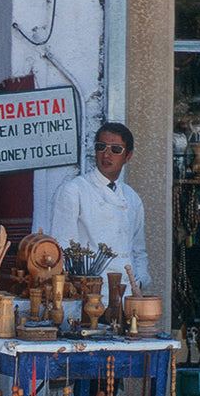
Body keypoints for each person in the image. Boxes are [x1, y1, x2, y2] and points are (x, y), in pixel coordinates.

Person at [49, 121, 151, 293]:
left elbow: (138, 249)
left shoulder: (132, 198)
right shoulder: (74, 190)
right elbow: (63, 247)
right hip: (91, 294)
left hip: (128, 292)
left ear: (128, 156)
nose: (107, 154)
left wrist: (140, 281)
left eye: (116, 149)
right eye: (101, 147)